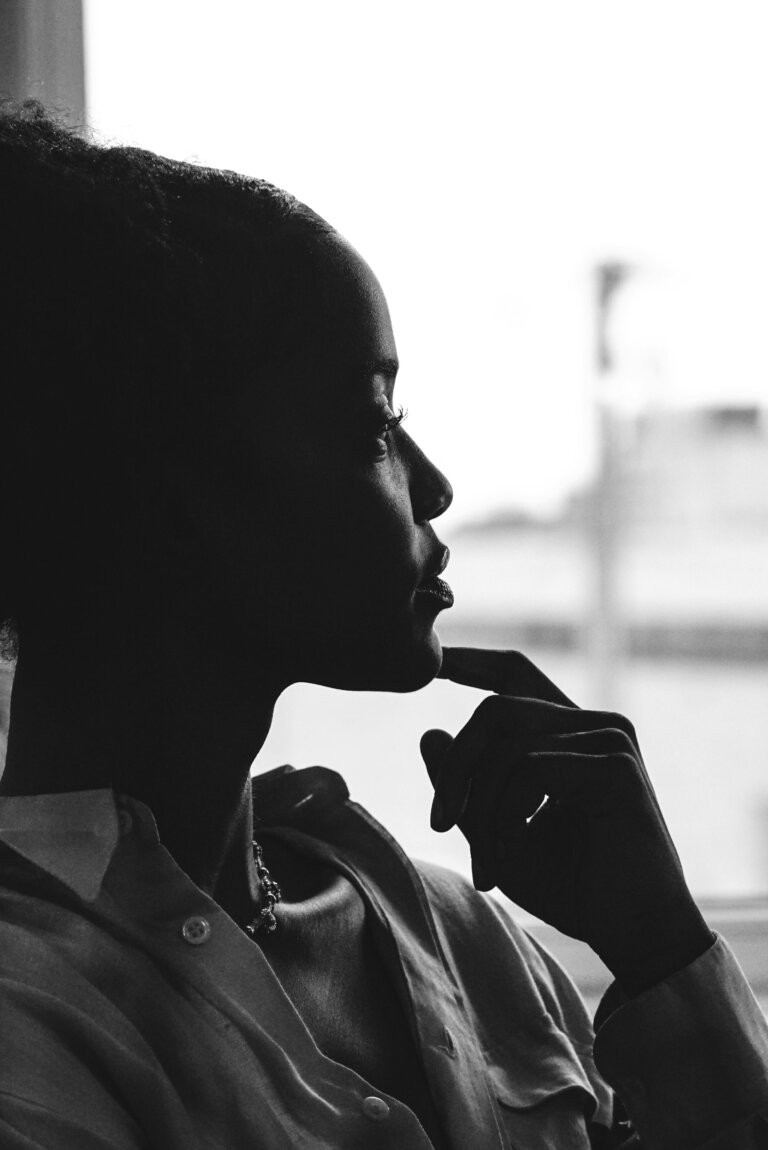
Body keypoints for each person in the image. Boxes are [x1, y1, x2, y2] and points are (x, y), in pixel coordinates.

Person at [0, 99, 766, 1150]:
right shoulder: (30, 1021)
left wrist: (666, 949)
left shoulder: (462, 934)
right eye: (373, 424)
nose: (436, 486)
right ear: (168, 488)